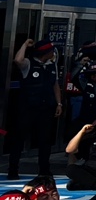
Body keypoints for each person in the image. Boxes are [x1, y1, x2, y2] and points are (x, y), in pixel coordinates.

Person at [7, 39, 62, 177]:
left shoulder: (52, 65)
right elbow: (17, 60)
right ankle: (13, 169)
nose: (53, 53)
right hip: (27, 108)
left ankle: (44, 170)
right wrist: (25, 45)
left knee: (45, 140)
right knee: (19, 138)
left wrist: (59, 103)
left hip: (46, 108)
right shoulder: (28, 63)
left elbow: (55, 85)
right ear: (46, 52)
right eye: (51, 51)